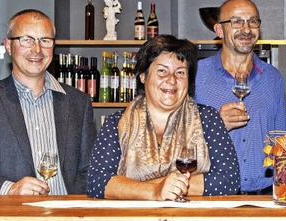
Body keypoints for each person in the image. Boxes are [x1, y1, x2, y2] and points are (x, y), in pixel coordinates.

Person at [0, 9, 96, 199]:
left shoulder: (79, 103)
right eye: (26, 40)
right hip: (10, 216)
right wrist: (9, 189)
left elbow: (91, 171)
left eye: (45, 40)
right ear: (8, 45)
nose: (37, 49)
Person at [87, 35, 240, 200]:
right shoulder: (116, 123)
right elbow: (97, 182)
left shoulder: (207, 119)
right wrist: (155, 191)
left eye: (180, 72)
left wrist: (160, 186)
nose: (172, 80)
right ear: (143, 76)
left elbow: (229, 179)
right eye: (162, 71)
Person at [195, 0, 286, 194]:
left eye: (253, 21)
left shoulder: (273, 78)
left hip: (265, 197)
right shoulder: (194, 75)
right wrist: (214, 126)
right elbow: (174, 139)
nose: (246, 29)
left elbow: (283, 141)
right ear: (219, 30)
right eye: (237, 22)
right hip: (212, 196)